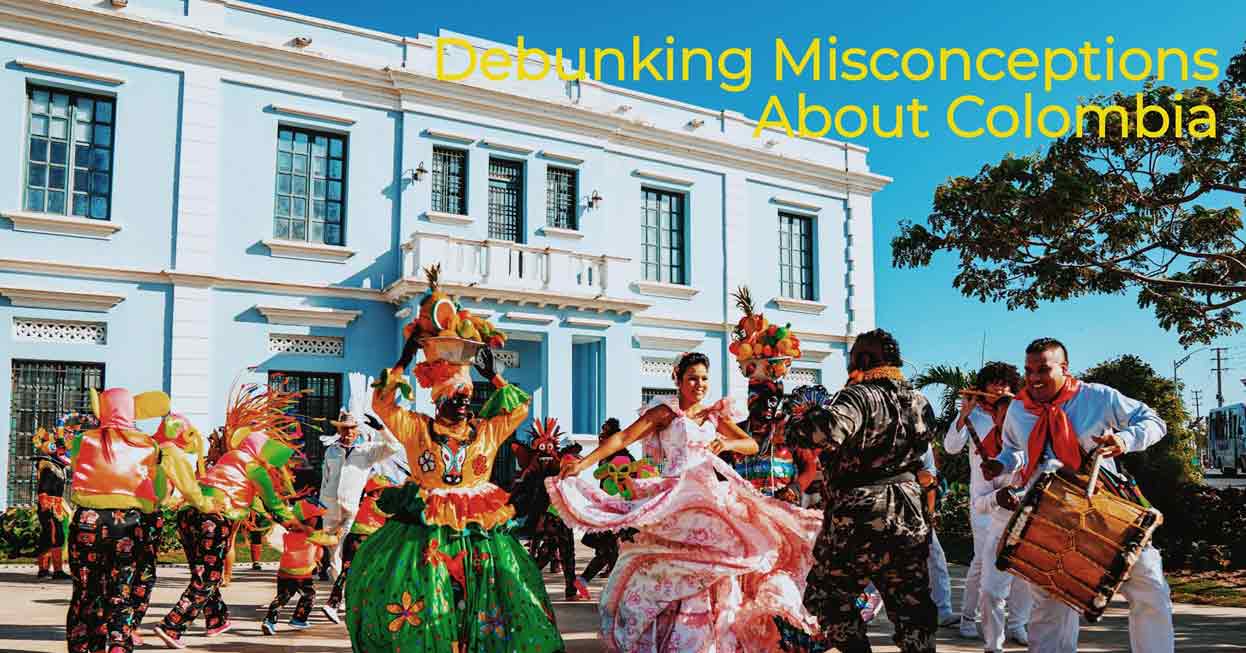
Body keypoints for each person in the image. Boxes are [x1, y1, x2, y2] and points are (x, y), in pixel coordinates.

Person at [346, 267, 562, 653]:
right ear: (438, 399)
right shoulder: (416, 428)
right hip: (424, 530)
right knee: (425, 597)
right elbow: (382, 402)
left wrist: (494, 378)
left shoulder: (486, 431)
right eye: (454, 397)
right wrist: (404, 357)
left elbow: (519, 408)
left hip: (479, 530)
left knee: (487, 596)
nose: (463, 403)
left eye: (466, 396)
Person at [550, 351, 822, 652]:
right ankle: (671, 635)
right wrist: (583, 463)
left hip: (710, 498)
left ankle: (706, 638)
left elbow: (751, 444)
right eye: (693, 378)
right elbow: (623, 438)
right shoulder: (665, 414)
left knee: (717, 565)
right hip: (675, 496)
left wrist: (727, 442)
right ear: (678, 380)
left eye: (704, 379)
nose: (699, 384)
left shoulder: (712, 416)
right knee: (670, 561)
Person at [983, 337, 1174, 653]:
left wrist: (1124, 439)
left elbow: (1154, 422)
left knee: (1150, 588)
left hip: (1103, 510)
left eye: (1043, 369)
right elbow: (1015, 451)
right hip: (1044, 516)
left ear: (1064, 368)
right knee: (1049, 607)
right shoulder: (1018, 408)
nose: (1034, 378)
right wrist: (1000, 463)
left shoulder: (1097, 397)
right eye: (1028, 370)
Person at [785, 329, 938, 653]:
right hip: (909, 509)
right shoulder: (921, 402)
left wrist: (797, 426)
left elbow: (824, 431)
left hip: (860, 512)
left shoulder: (859, 396)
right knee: (912, 607)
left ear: (863, 361)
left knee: (825, 596)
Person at [152, 384, 308, 649]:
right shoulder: (255, 469)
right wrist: (296, 524)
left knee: (201, 572)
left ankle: (216, 619)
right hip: (213, 518)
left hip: (188, 514)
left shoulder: (228, 458)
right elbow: (273, 505)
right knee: (209, 577)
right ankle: (173, 625)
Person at [65, 388, 213, 653]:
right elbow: (152, 495)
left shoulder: (83, 439)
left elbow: (78, 470)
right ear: (131, 411)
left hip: (87, 521)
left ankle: (85, 645)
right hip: (128, 524)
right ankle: (119, 644)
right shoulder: (148, 444)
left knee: (86, 590)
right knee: (121, 588)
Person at [944, 361, 1031, 641]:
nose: (999, 388)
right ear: (983, 388)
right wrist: (964, 413)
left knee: (1021, 564)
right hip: (983, 502)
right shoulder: (975, 417)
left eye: (1004, 383)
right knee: (982, 563)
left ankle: (1017, 624)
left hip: (1016, 500)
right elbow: (951, 447)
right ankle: (969, 618)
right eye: (993, 383)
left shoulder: (1020, 414)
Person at [318, 372, 402, 580]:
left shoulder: (367, 451)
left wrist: (381, 429)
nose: (348, 433)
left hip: (351, 505)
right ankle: (338, 586)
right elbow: (325, 478)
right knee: (332, 549)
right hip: (329, 505)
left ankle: (344, 588)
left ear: (357, 431)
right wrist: (321, 503)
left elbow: (394, 446)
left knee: (347, 545)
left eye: (352, 429)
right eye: (344, 429)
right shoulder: (332, 450)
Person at [969, 391, 1034, 653]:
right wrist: (999, 496)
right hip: (1000, 526)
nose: (1009, 422)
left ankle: (1018, 625)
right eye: (1003, 416)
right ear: (994, 417)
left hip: (1034, 527)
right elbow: (979, 503)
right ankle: (993, 646)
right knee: (991, 592)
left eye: (1014, 416)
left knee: (1030, 588)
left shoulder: (1038, 443)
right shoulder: (982, 452)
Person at [573, 418, 656, 598]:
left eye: (604, 436)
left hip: (621, 510)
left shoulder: (622, 458)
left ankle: (590, 583)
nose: (600, 439)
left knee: (613, 552)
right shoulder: (607, 459)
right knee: (610, 552)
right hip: (609, 511)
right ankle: (611, 588)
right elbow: (603, 481)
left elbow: (632, 482)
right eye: (600, 435)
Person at [322, 473, 394, 624]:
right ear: (376, 491)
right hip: (363, 541)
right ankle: (342, 605)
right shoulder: (374, 502)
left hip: (355, 539)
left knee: (347, 572)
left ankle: (333, 604)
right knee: (371, 575)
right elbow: (388, 514)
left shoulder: (367, 502)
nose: (387, 493)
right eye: (385, 490)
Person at [261, 499, 341, 634]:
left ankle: (269, 621)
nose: (318, 520)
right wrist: (338, 536)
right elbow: (328, 540)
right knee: (309, 596)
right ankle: (299, 619)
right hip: (301, 574)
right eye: (316, 517)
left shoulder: (291, 531)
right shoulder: (311, 534)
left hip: (284, 572)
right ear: (309, 519)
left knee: (282, 598)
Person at [31, 423, 71, 580]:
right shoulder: (48, 467)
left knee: (54, 536)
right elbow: (44, 489)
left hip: (55, 506)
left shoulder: (57, 468)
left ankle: (51, 569)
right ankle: (48, 570)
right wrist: (46, 506)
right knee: (53, 536)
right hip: (49, 506)